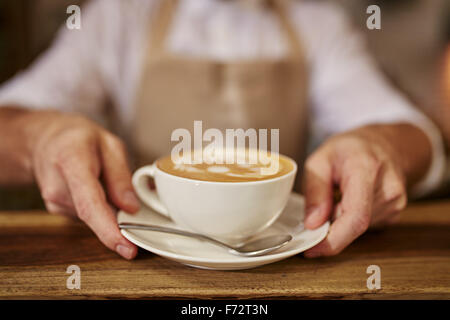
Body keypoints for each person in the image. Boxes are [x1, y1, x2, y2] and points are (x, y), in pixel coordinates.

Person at [0, 0, 445, 260]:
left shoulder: (317, 22)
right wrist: (42, 138)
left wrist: (381, 146)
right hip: (145, 261)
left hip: (276, 260)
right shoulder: (116, 16)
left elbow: (417, 135)